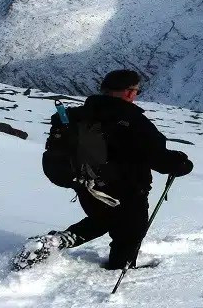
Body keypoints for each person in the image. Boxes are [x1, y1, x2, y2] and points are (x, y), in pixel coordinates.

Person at [15, 70, 193, 270]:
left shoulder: (79, 115)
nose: (135, 95)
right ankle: (120, 269)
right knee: (130, 232)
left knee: (103, 219)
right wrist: (181, 163)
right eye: (136, 91)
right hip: (127, 190)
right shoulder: (134, 121)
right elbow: (157, 157)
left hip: (85, 184)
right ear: (128, 92)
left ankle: (54, 243)